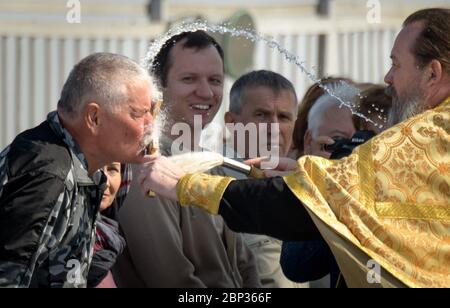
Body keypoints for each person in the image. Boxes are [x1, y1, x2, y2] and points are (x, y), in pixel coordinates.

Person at [138, 8, 450, 288]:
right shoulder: (147, 167)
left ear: (433, 73)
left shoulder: (426, 138)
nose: (387, 77)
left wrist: (185, 185)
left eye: (396, 64)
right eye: (189, 78)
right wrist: (308, 177)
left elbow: (293, 214)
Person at [113, 31, 260, 288]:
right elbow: (171, 281)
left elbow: (245, 266)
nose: (205, 92)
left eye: (215, 80)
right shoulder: (145, 166)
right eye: (189, 79)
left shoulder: (212, 164)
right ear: (158, 86)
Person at [0, 52, 154, 288]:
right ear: (94, 117)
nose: (150, 124)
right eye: (137, 114)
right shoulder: (50, 175)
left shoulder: (83, 168)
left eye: (151, 111)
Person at [225, 70, 302, 288]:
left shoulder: (304, 188)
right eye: (261, 115)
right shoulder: (212, 185)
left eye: (284, 117)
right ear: (232, 123)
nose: (274, 128)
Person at [281, 80, 358, 288]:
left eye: (358, 142)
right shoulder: (301, 181)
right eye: (337, 142)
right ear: (309, 141)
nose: (348, 153)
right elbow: (296, 265)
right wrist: (319, 182)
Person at [87, 162, 129, 288]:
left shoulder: (108, 232)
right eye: (93, 168)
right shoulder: (66, 233)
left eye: (112, 169)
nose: (105, 182)